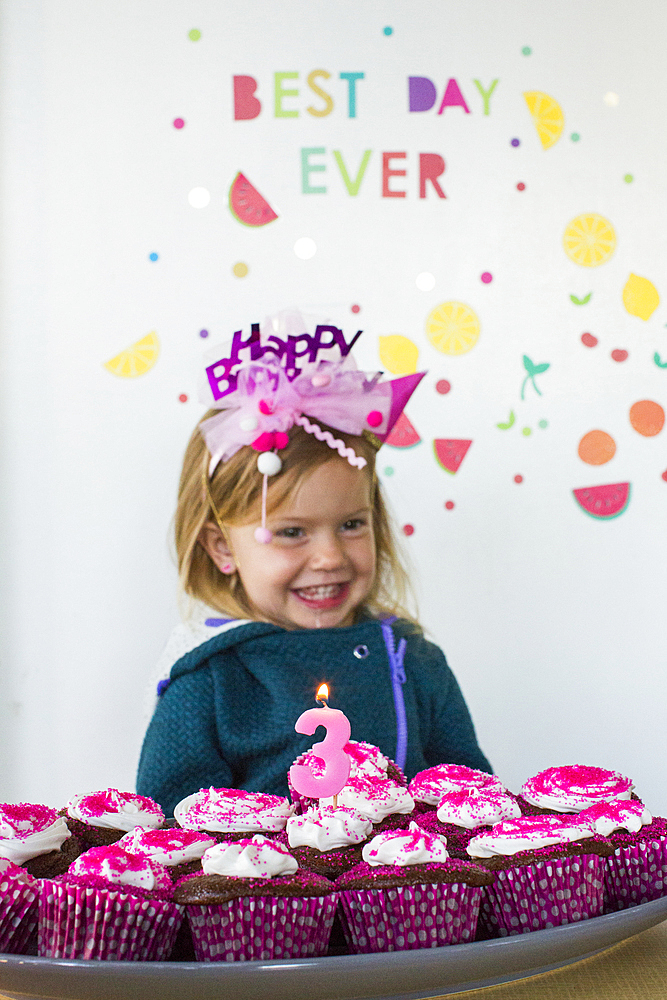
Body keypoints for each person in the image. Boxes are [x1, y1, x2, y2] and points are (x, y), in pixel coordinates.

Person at [136, 317, 491, 816]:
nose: (329, 558)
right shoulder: (206, 680)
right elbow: (169, 835)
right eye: (291, 532)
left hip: (406, 893)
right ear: (221, 548)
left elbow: (476, 806)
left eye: (351, 524)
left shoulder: (414, 662)